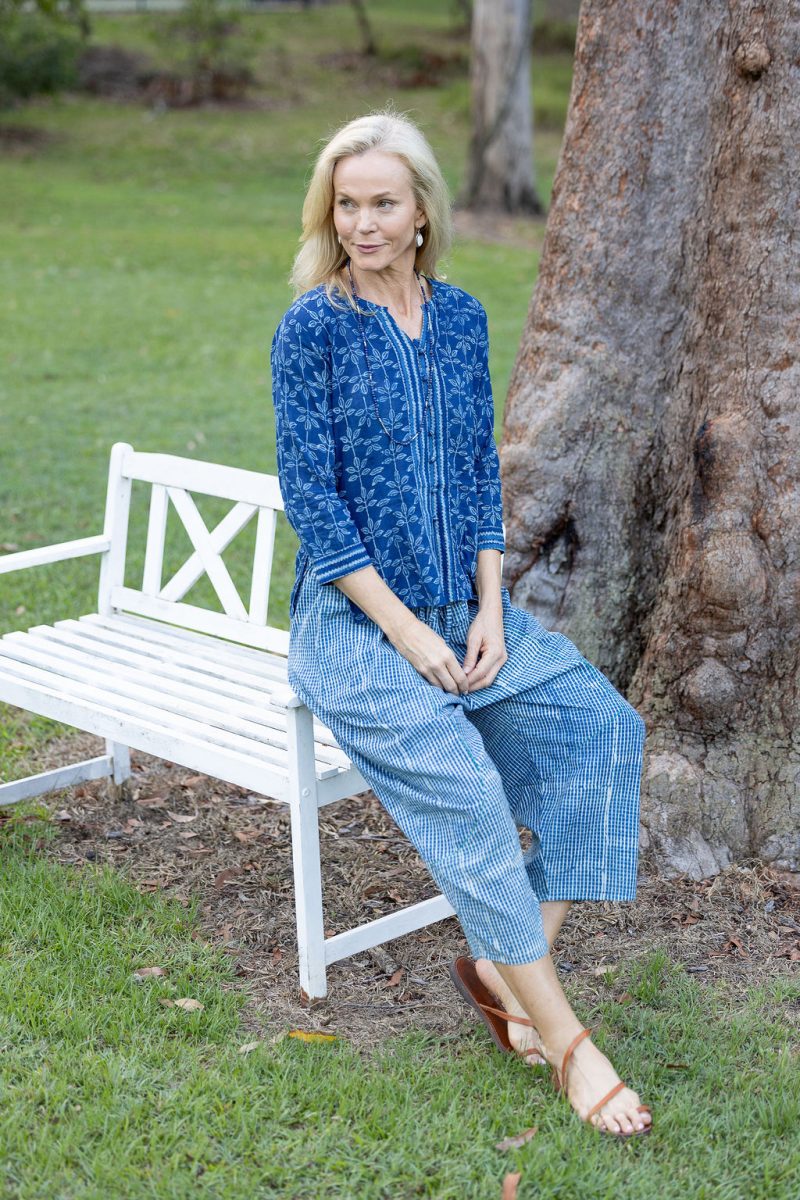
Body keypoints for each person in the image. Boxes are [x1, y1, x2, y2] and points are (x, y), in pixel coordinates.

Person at [270, 110, 652, 1139]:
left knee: (601, 730)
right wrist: (404, 633)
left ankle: (496, 963)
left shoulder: (462, 318)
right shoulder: (311, 328)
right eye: (345, 204)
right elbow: (314, 500)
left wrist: (488, 609)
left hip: (463, 610)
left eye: (381, 202)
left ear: (421, 210)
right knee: (471, 794)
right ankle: (569, 1044)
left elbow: (480, 473)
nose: (362, 223)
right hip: (355, 632)